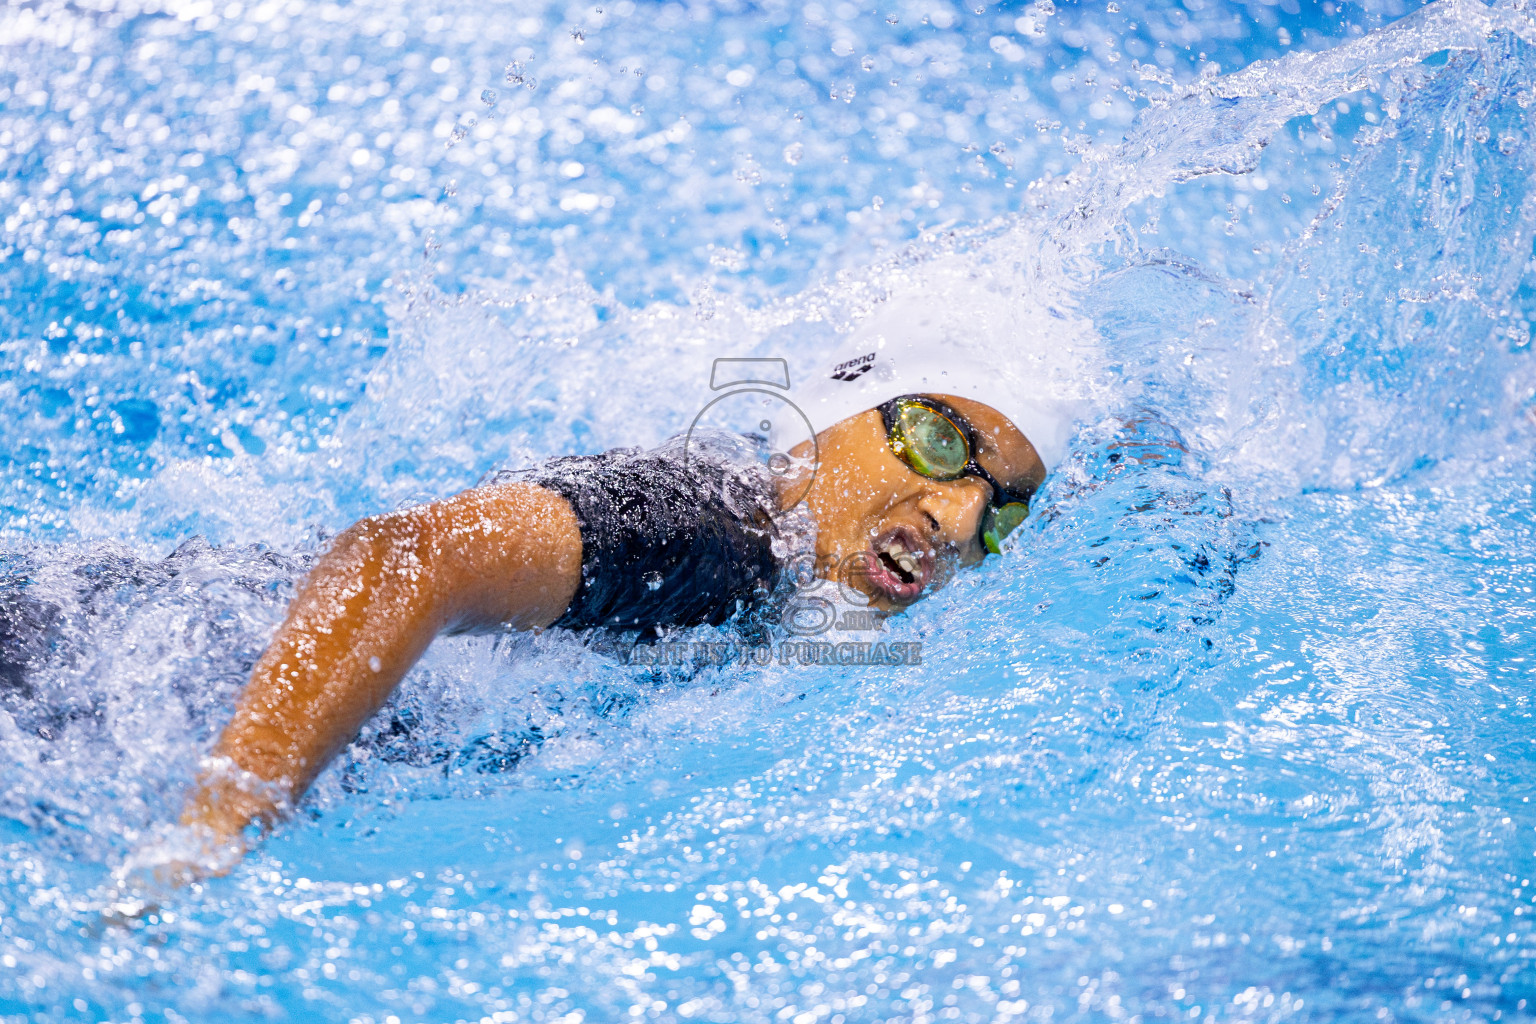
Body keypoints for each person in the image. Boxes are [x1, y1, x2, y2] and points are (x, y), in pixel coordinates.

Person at [121, 288, 1087, 882]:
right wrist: (217, 823)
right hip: (103, 677)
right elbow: (399, 557)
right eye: (940, 439)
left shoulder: (785, 576)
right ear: (840, 404)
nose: (958, 522)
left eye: (1000, 508)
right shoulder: (717, 528)